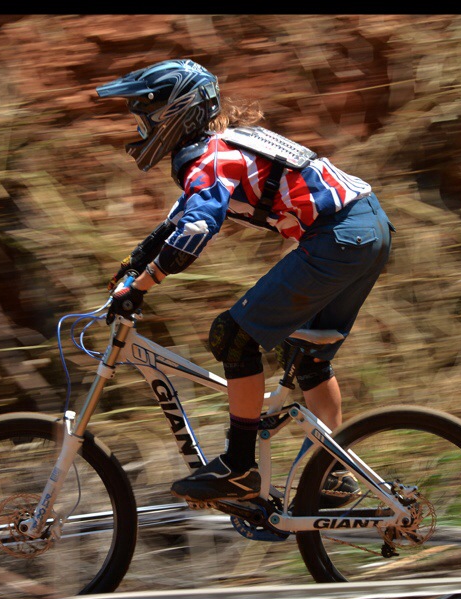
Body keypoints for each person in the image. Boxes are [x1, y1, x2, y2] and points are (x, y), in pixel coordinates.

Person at [96, 59, 393, 503]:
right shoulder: (223, 146)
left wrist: (140, 287)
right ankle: (332, 474)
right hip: (370, 227)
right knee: (308, 357)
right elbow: (177, 221)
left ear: (175, 115)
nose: (140, 128)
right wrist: (132, 265)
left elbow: (195, 230)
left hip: (338, 238)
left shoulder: (209, 158)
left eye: (145, 117)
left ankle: (238, 468)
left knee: (232, 336)